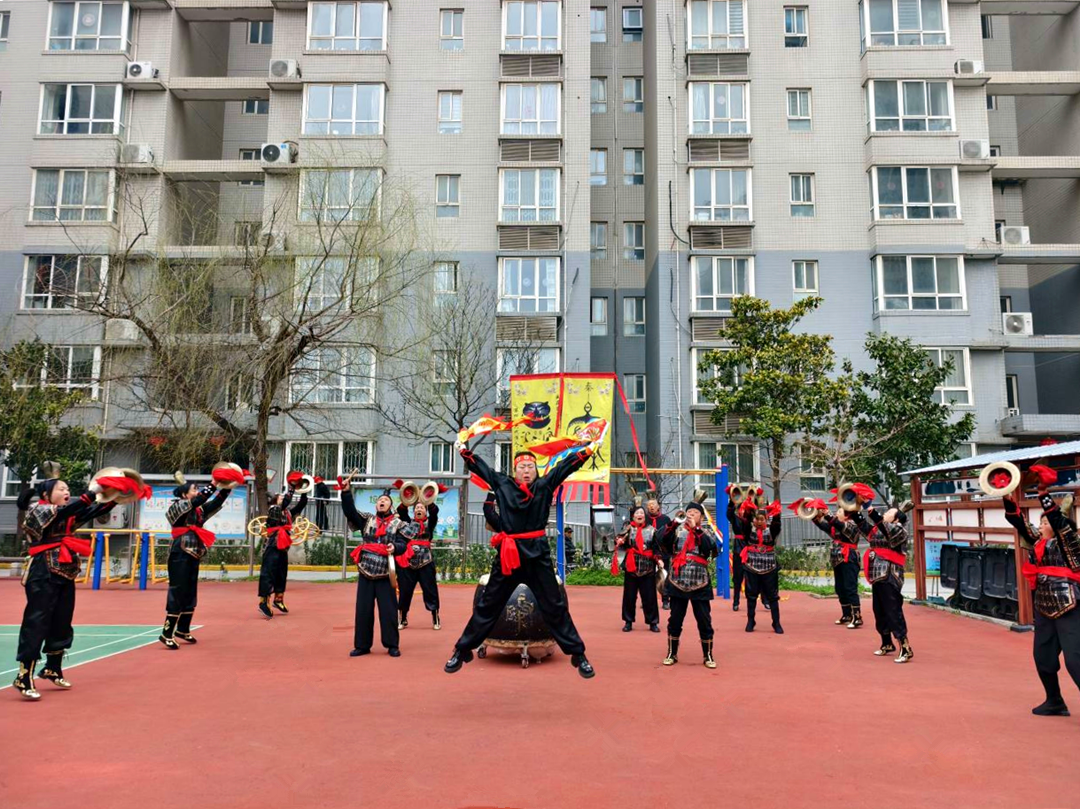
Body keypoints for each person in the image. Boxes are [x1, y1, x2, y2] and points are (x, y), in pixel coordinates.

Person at [445, 443, 597, 679]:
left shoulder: (545, 484)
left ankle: (578, 654)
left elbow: (565, 467)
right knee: (488, 604)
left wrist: (587, 451)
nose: (527, 470)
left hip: (537, 555)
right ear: (514, 470)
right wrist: (464, 451)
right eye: (522, 467)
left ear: (536, 469)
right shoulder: (503, 483)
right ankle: (462, 650)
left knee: (554, 605)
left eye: (530, 466)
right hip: (509, 555)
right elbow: (481, 468)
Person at [12, 474, 118, 700]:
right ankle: (24, 675)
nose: (67, 492)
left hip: (65, 571)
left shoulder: (66, 514)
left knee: (62, 620)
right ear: (46, 494)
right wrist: (91, 493)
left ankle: (53, 667)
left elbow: (92, 511)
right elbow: (68, 510)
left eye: (68, 489)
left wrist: (118, 496)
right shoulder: (38, 510)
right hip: (42, 572)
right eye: (61, 489)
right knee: (37, 621)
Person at [1001, 469, 1080, 716]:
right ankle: (1054, 701)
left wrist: (1043, 493)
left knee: (1075, 660)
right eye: (1042, 522)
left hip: (1070, 604)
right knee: (1043, 657)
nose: (1041, 524)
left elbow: (1058, 522)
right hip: (1044, 606)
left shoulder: (1070, 541)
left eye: (1045, 522)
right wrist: (1006, 496)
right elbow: (1019, 522)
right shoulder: (1039, 543)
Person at [160, 477, 232, 650]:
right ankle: (167, 633)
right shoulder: (178, 506)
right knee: (178, 589)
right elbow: (200, 499)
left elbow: (215, 503)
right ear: (184, 494)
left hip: (193, 551)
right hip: (180, 551)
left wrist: (228, 487)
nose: (197, 492)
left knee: (190, 589)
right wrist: (213, 484)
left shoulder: (197, 510)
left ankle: (183, 628)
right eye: (194, 489)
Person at [341, 482, 410, 657]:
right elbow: (350, 512)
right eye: (380, 500)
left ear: (390, 506)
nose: (382, 501)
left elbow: (403, 544)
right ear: (376, 505)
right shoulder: (367, 520)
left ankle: (392, 644)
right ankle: (362, 645)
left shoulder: (398, 524)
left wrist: (395, 547)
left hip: (386, 572)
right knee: (363, 610)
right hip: (366, 570)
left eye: (385, 500)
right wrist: (346, 493)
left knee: (388, 611)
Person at [656, 497, 718, 668]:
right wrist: (674, 523)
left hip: (700, 581)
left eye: (695, 512)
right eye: (689, 512)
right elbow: (660, 539)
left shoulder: (706, 532)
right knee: (675, 619)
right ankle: (672, 653)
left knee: (704, 620)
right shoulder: (677, 531)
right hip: (678, 580)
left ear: (701, 517)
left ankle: (708, 655)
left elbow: (709, 548)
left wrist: (696, 529)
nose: (691, 514)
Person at [855, 502, 913, 663]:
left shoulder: (899, 530)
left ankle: (905, 647)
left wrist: (870, 509)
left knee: (893, 611)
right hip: (878, 575)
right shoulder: (879, 530)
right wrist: (853, 511)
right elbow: (864, 526)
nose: (885, 514)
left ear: (896, 519)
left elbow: (883, 525)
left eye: (889, 513)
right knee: (879, 611)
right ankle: (886, 643)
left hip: (890, 576)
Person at [257, 473, 308, 618]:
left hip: (283, 546)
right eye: (280, 497)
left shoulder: (287, 512)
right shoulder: (274, 509)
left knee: (281, 572)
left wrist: (304, 491)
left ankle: (278, 599)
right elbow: (286, 502)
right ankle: (263, 601)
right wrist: (292, 487)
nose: (282, 498)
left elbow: (300, 505)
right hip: (273, 545)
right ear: (275, 500)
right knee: (268, 572)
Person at [806, 500, 863, 628]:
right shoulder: (836, 527)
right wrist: (815, 516)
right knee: (840, 588)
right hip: (838, 559)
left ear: (846, 515)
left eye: (839, 511)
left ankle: (857, 617)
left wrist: (827, 514)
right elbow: (824, 526)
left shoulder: (852, 525)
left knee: (850, 588)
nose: (837, 513)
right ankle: (847, 615)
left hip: (849, 558)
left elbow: (838, 524)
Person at [396, 497, 442, 631]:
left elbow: (435, 512)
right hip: (408, 562)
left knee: (430, 590)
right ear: (414, 511)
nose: (419, 509)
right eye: (417, 508)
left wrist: (428, 500)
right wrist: (408, 497)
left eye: (422, 507)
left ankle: (435, 617)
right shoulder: (407, 523)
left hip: (426, 561)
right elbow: (401, 511)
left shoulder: (430, 523)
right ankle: (402, 618)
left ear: (425, 511)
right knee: (405, 591)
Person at [614, 504, 661, 633]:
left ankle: (653, 622)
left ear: (645, 516)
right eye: (637, 513)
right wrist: (619, 541)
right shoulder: (628, 529)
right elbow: (618, 540)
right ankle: (628, 621)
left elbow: (657, 548)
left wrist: (659, 560)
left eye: (641, 513)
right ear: (633, 516)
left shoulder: (652, 530)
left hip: (648, 567)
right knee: (629, 597)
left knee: (650, 597)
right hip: (631, 567)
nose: (640, 515)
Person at [740, 501, 784, 634]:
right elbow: (745, 523)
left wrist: (776, 514)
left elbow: (776, 525)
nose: (759, 522)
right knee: (751, 595)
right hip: (752, 566)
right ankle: (750, 621)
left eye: (762, 519)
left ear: (766, 520)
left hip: (769, 566)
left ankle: (776, 622)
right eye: (757, 519)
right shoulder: (749, 530)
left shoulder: (771, 531)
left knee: (772, 596)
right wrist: (748, 511)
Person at [644, 494, 672, 609]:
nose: (651, 507)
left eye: (653, 504)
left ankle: (665, 600)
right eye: (649, 505)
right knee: (647, 577)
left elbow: (670, 535)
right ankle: (648, 601)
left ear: (658, 506)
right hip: (649, 551)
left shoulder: (666, 519)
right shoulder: (644, 519)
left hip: (663, 551)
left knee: (665, 576)